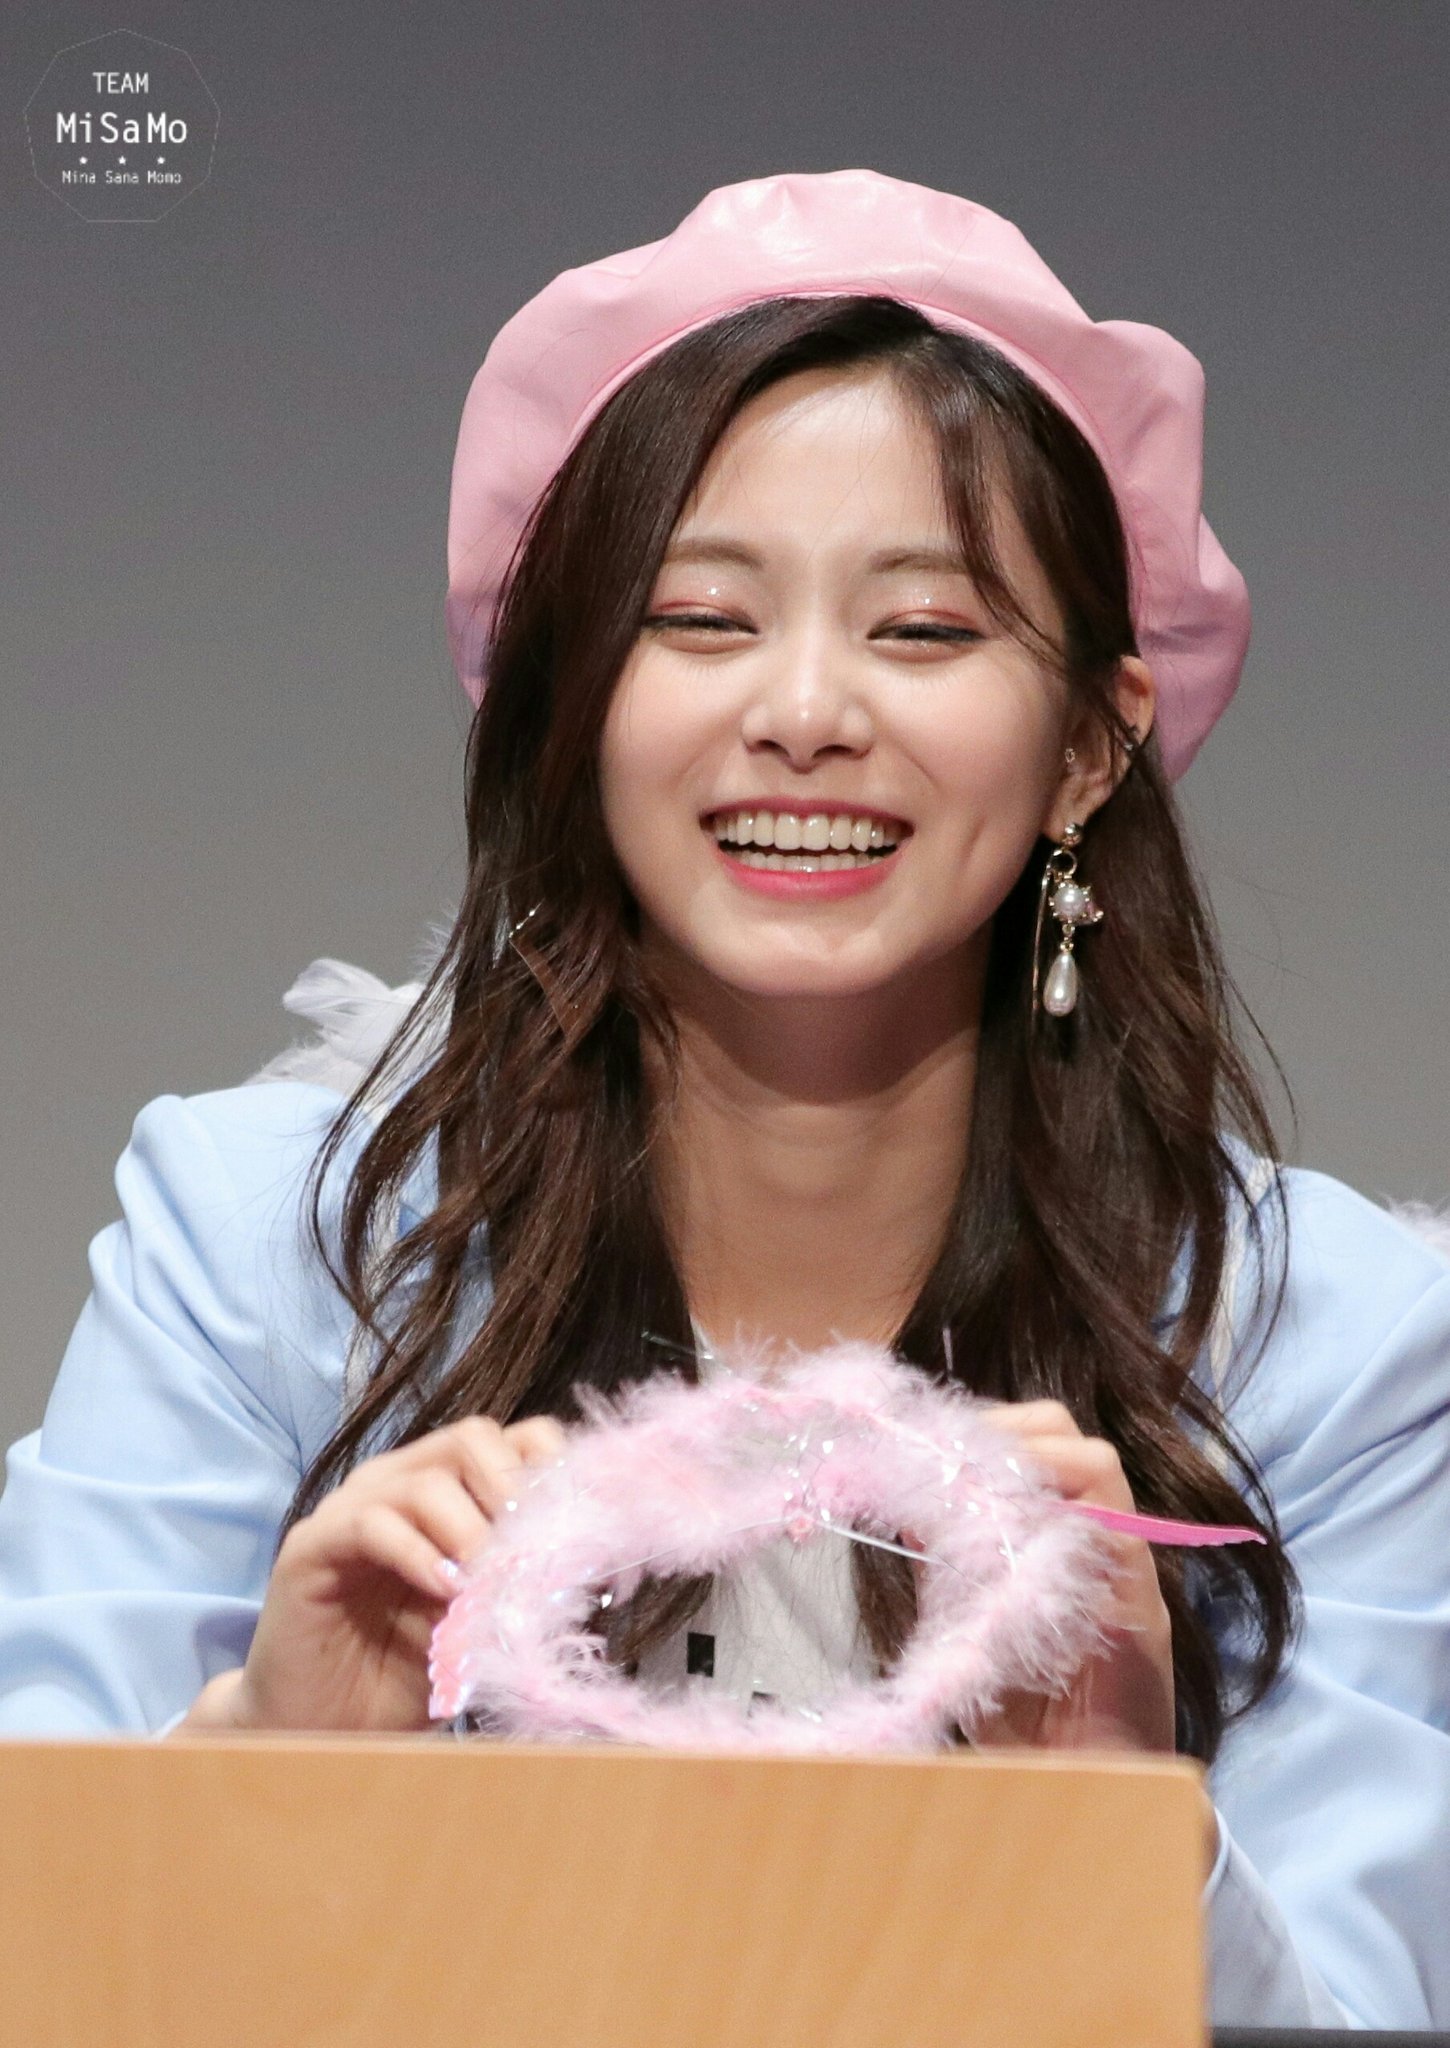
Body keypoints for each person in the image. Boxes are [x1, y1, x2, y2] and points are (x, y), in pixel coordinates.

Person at [1, 169, 1447, 2030]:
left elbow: (1367, 1999)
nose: (805, 710)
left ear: (1092, 743)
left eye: (923, 631)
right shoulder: (267, 1238)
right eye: (698, 619)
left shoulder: (1329, 1346)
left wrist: (1123, 1834)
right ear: (567, 704)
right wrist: (265, 1762)